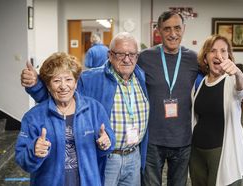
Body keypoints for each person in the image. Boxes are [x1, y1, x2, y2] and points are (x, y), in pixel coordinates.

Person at [21, 32, 149, 186]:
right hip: (107, 158)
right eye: (121, 54)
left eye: (132, 54)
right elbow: (58, 95)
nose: (127, 59)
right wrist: (35, 85)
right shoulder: (90, 78)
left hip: (133, 154)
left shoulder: (140, 76)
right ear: (110, 55)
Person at [15, 52, 115, 186]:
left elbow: (109, 142)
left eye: (68, 79)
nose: (63, 86)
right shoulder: (34, 117)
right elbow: (22, 160)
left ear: (76, 82)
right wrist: (34, 151)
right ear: (48, 86)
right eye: (56, 81)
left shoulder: (94, 109)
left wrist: (106, 143)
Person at [138, 11, 198, 186]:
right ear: (159, 31)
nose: (173, 34)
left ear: (184, 29)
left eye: (177, 28)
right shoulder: (144, 57)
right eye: (167, 29)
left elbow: (216, 79)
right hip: (152, 140)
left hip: (183, 140)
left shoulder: (194, 59)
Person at [189, 34, 243, 186]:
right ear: (205, 57)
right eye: (213, 50)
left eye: (223, 51)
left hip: (222, 154)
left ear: (228, 56)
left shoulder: (232, 80)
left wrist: (237, 72)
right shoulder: (201, 82)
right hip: (196, 153)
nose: (218, 55)